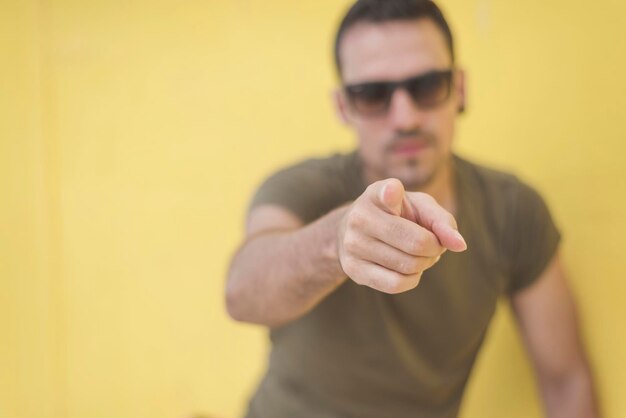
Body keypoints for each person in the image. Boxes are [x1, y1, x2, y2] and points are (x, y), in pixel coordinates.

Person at [225, 0, 600, 417]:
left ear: (459, 89)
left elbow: (565, 379)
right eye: (372, 94)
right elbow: (242, 293)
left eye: (426, 86)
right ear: (343, 107)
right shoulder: (301, 188)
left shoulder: (512, 210)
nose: (404, 117)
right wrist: (336, 241)